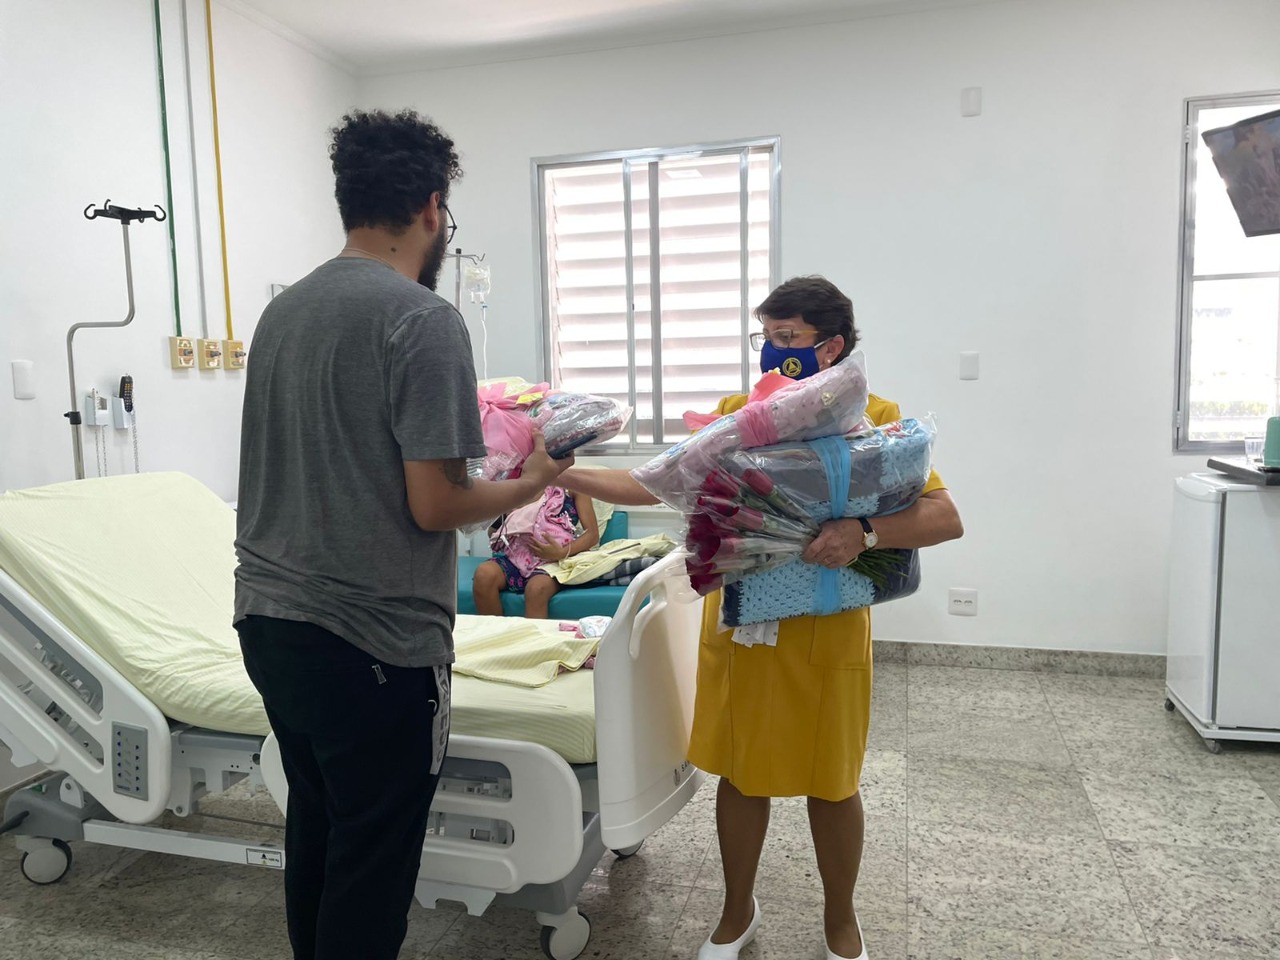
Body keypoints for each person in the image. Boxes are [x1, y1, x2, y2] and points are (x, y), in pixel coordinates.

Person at [233, 109, 572, 960]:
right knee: (373, 864)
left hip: (269, 623)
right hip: (373, 641)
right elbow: (435, 504)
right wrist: (532, 480)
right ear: (431, 209)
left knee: (320, 829)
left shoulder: (283, 314)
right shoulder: (421, 320)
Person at [557, 276, 963, 960]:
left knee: (833, 782)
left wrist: (864, 531)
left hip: (828, 632)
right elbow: (654, 483)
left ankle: (841, 922)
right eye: (766, 338)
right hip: (743, 628)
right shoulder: (737, 416)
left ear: (831, 347)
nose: (772, 352)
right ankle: (736, 911)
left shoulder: (877, 421)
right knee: (742, 776)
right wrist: (559, 475)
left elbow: (944, 517)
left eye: (787, 338)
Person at [473, 487, 599, 618]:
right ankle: (495, 631)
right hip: (516, 558)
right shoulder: (516, 485)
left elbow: (592, 535)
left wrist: (561, 553)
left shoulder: (574, 487)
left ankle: (532, 632)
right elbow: (492, 534)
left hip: (556, 562)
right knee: (484, 575)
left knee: (536, 589)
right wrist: (508, 513)